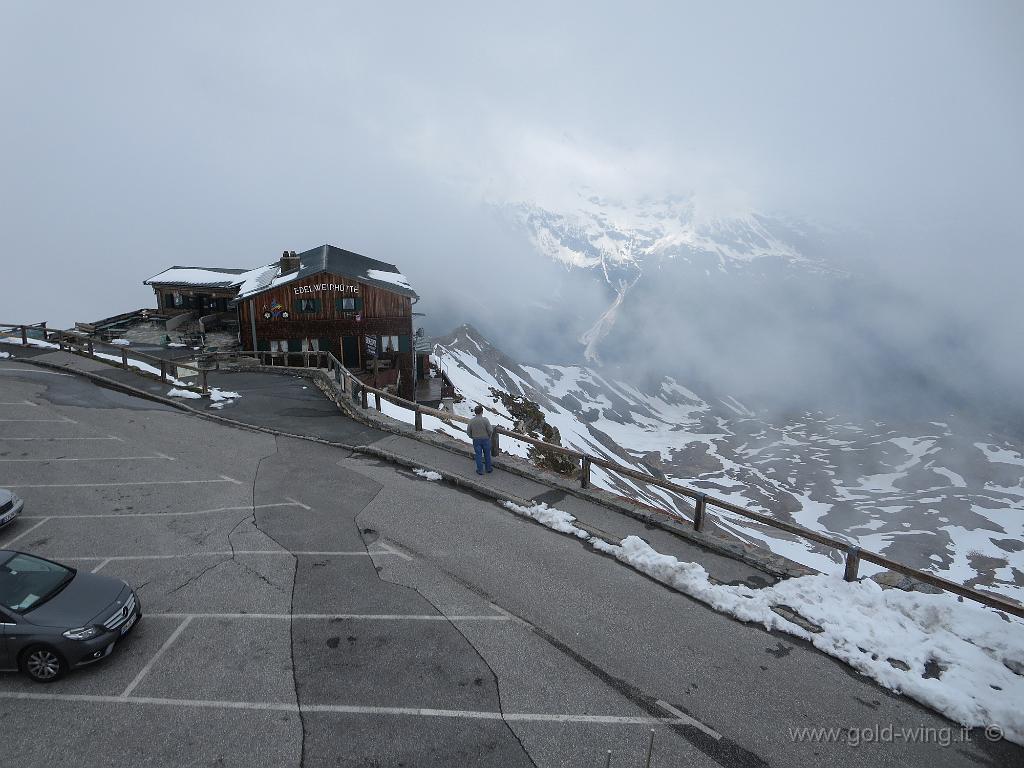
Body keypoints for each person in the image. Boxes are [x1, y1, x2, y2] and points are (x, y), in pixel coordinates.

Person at [466, 404, 493, 475]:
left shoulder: (471, 421)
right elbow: (490, 430)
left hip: (476, 440)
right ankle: (488, 469)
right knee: (487, 454)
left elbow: (468, 432)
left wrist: (472, 437)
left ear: (475, 412)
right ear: (482, 412)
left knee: (478, 455)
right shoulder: (485, 420)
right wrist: (489, 436)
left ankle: (480, 470)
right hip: (486, 439)